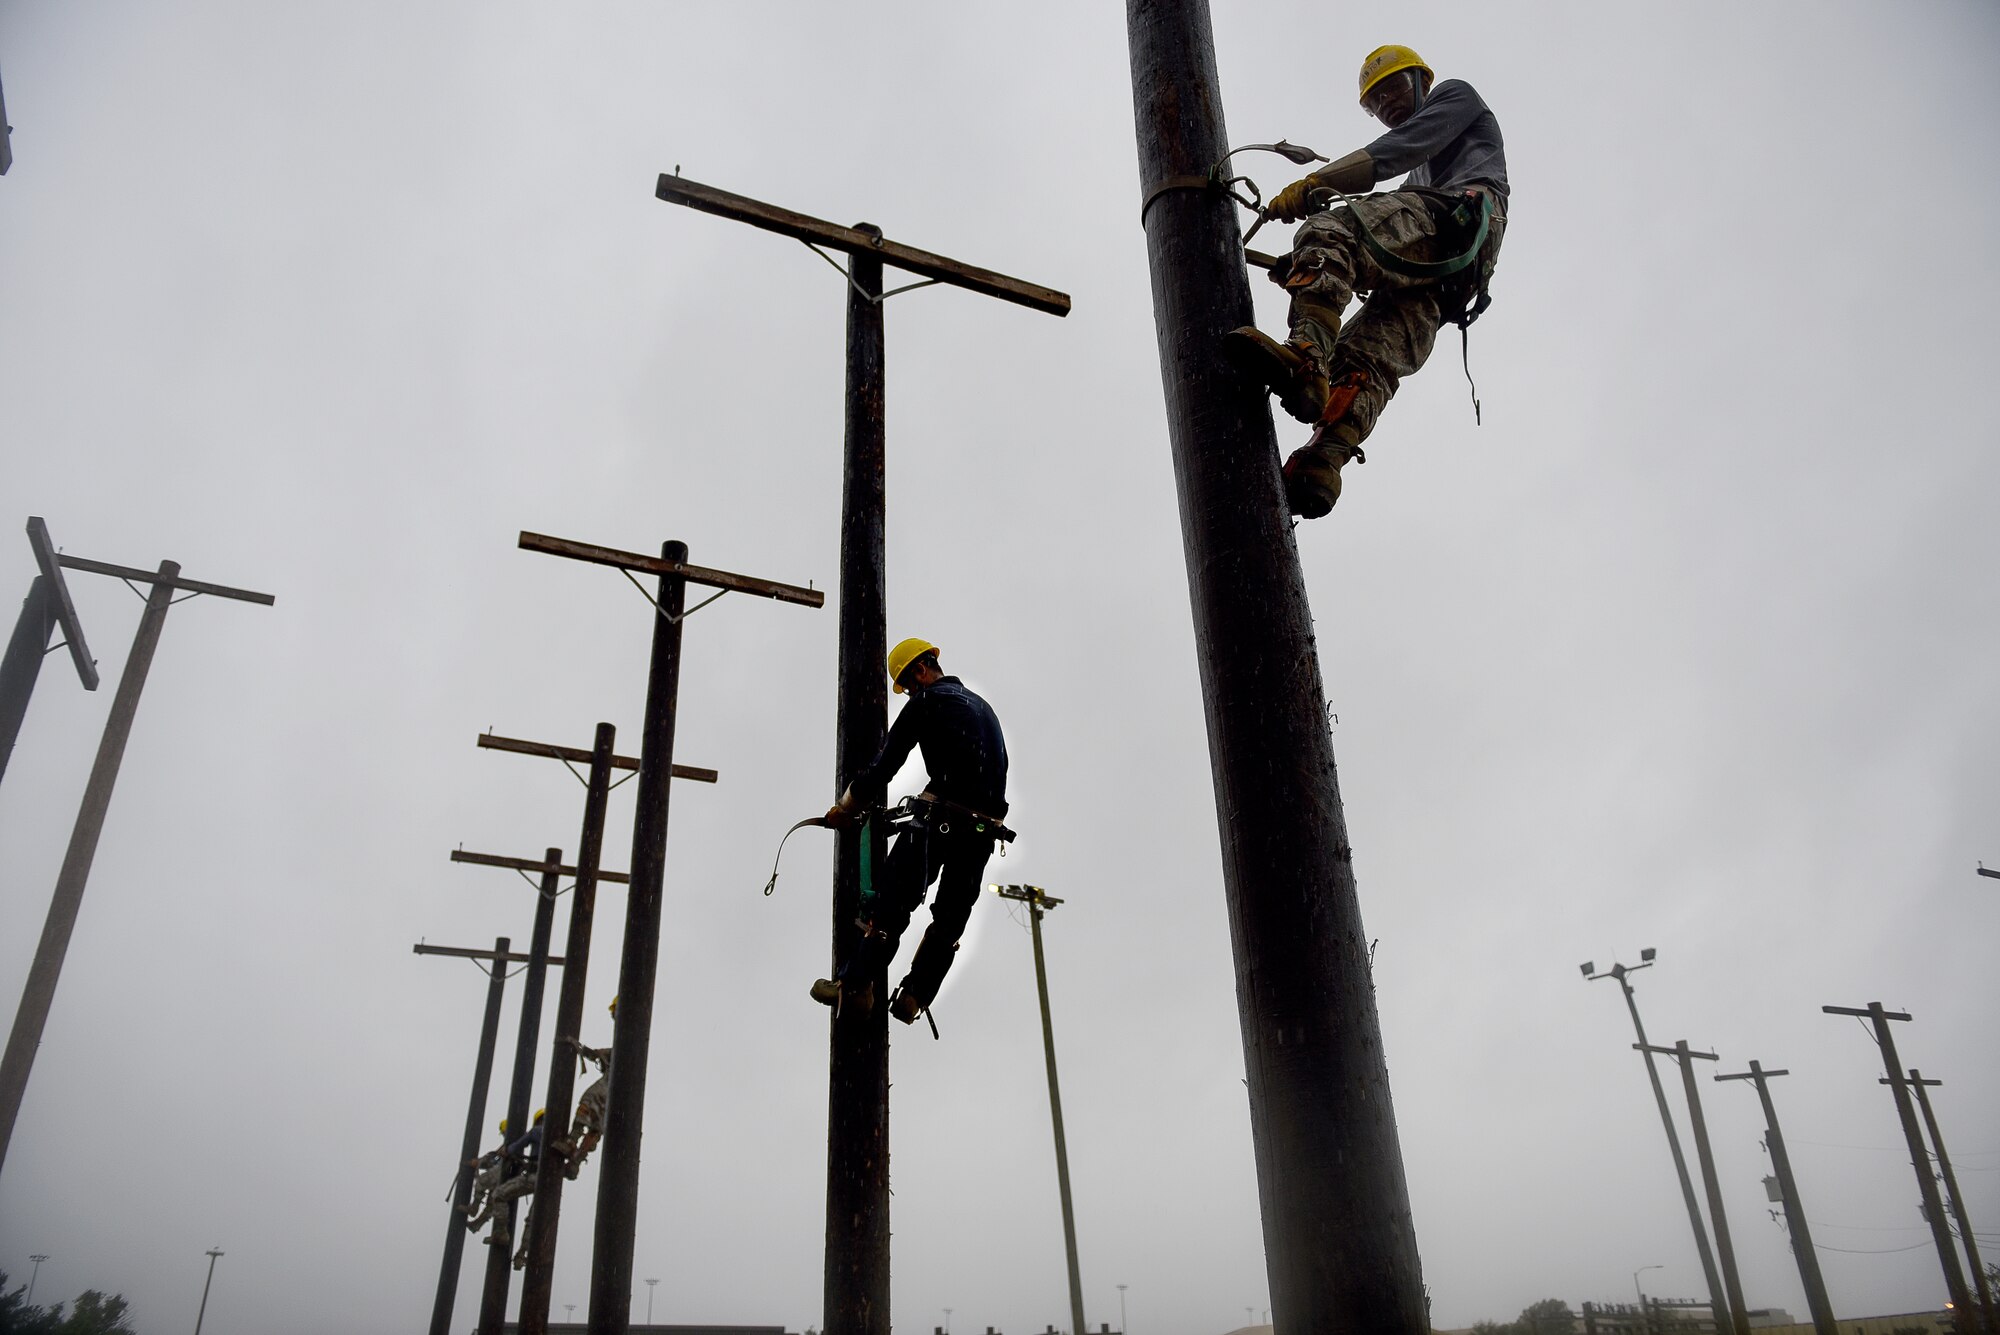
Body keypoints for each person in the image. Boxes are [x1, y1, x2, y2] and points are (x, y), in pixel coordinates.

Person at [1223, 43, 1509, 517]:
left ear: (1422, 80)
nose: (1386, 105)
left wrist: (1316, 185)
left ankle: (1306, 357)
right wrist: (1299, 264)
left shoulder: (1456, 98)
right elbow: (1390, 233)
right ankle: (1323, 463)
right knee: (1366, 357)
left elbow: (1390, 158)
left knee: (1332, 228)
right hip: (1454, 276)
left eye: (1392, 88)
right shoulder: (1421, 178)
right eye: (1375, 103)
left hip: (1462, 217)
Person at [811, 637, 1008, 1025]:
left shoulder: (928, 701)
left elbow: (886, 764)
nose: (911, 692)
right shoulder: (985, 711)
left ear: (920, 670)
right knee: (950, 920)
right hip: (984, 832)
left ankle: (855, 988)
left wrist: (846, 808)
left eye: (909, 684)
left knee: (892, 903)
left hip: (943, 819)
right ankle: (914, 996)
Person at [547, 996, 614, 1180]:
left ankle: (572, 1141)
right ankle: (575, 1161)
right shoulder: (625, 1047)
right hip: (621, 1099)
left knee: (588, 1101)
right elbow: (597, 1054)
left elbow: (600, 1054)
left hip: (610, 1089)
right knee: (597, 1126)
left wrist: (578, 1047)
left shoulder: (625, 1047)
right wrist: (579, 1047)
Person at [467, 1108, 543, 1247]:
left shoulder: (535, 1132)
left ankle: (499, 1231)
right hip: (548, 1183)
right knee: (531, 1218)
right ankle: (522, 1251)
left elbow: (510, 1151)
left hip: (531, 1176)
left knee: (498, 1195)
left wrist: (507, 1151)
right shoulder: (555, 1137)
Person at [457, 1118, 512, 1225]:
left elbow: (495, 1159)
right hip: (506, 1175)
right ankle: (476, 1224)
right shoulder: (509, 1144)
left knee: (482, 1181)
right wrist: (479, 1162)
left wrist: (479, 1162)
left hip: (502, 1172)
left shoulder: (510, 1143)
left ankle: (474, 1208)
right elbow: (493, 1159)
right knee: (492, 1201)